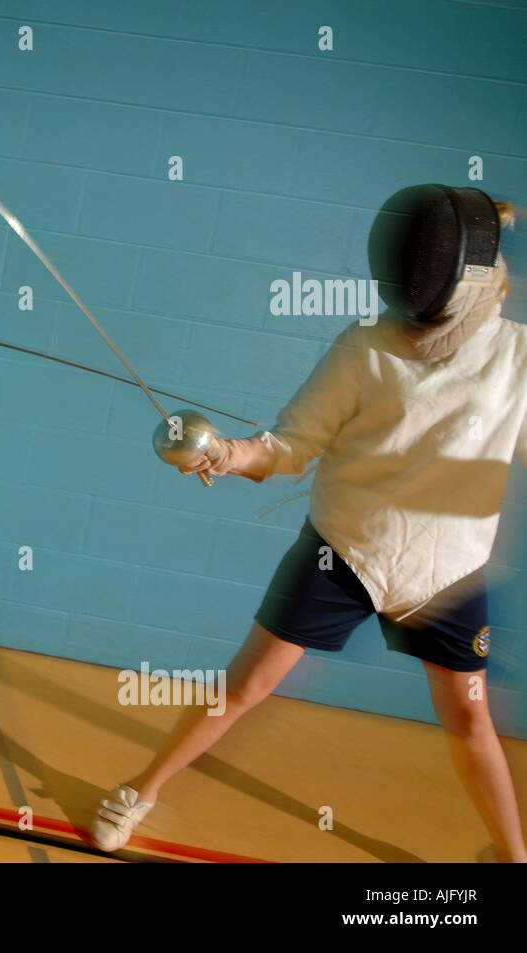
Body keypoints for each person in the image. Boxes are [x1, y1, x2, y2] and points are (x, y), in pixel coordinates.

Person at [94, 185, 527, 862]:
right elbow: (293, 442)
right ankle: (139, 789)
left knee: (471, 715)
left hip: (450, 571)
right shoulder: (368, 346)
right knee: (246, 685)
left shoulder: (516, 358)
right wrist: (229, 454)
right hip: (347, 550)